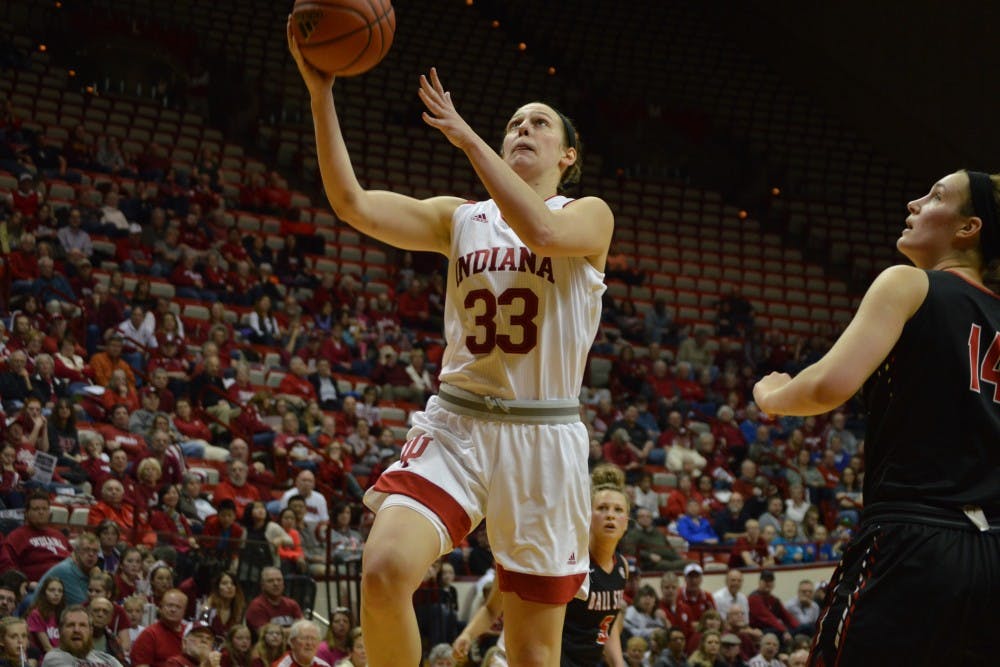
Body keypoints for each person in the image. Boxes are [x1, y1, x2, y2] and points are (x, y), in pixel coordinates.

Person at [290, 17, 614, 667]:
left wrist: (467, 139)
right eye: (515, 122)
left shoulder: (586, 215)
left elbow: (544, 239)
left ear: (567, 157)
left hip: (542, 437)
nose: (523, 128)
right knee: (382, 571)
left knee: (530, 652)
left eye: (539, 123)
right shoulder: (460, 218)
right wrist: (321, 91)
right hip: (459, 422)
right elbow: (351, 202)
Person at [753, 170, 1000, 665]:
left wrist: (773, 395)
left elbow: (826, 385)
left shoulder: (907, 283)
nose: (913, 202)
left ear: (968, 228)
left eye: (934, 196)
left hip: (914, 541)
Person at [452, 465, 631, 666]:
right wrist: (468, 635)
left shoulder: (621, 567)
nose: (610, 515)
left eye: (618, 510)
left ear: (627, 522)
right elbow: (493, 607)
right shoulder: (565, 557)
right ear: (586, 516)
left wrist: (618, 663)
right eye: (602, 508)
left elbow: (608, 624)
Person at [0, 490, 72, 583]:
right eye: (36, 509)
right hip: (37, 588)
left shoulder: (59, 535)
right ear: (26, 513)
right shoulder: (16, 537)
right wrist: (26, 584)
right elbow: (9, 569)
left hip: (67, 582)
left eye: (44, 509)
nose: (41, 512)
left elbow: (73, 559)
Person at [41, 606, 122, 667]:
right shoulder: (53, 658)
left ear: (91, 631)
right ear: (60, 631)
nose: (77, 630)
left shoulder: (107, 658)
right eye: (71, 625)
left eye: (82, 625)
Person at [129, 589, 188, 667]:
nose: (173, 610)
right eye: (169, 605)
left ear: (184, 611)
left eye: (178, 607)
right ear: (161, 608)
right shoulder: (149, 635)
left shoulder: (189, 633)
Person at [244, 568, 303, 638]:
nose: (276, 584)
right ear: (262, 585)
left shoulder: (292, 604)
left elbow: (303, 629)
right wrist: (295, 630)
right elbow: (265, 634)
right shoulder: (257, 606)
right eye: (270, 581)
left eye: (279, 580)